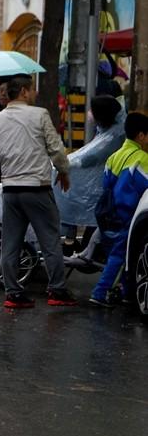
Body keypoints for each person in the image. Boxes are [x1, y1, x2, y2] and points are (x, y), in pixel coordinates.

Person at [0, 75, 76, 308]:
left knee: (10, 242)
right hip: (38, 190)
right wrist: (63, 171)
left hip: (11, 190)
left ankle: (12, 293)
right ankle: (57, 290)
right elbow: (56, 149)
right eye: (32, 89)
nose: (34, 94)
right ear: (23, 91)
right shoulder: (40, 115)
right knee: (50, 241)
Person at [89, 112, 148, 307]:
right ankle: (100, 293)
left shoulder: (114, 156)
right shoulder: (142, 159)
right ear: (141, 136)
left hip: (108, 213)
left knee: (119, 254)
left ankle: (125, 292)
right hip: (127, 215)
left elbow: (106, 183)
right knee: (119, 256)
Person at [54, 95, 126, 236]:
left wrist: (70, 163)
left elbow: (92, 156)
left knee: (94, 222)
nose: (89, 114)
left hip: (103, 189)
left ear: (102, 115)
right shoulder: (107, 132)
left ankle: (72, 241)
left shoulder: (114, 136)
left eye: (92, 111)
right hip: (102, 187)